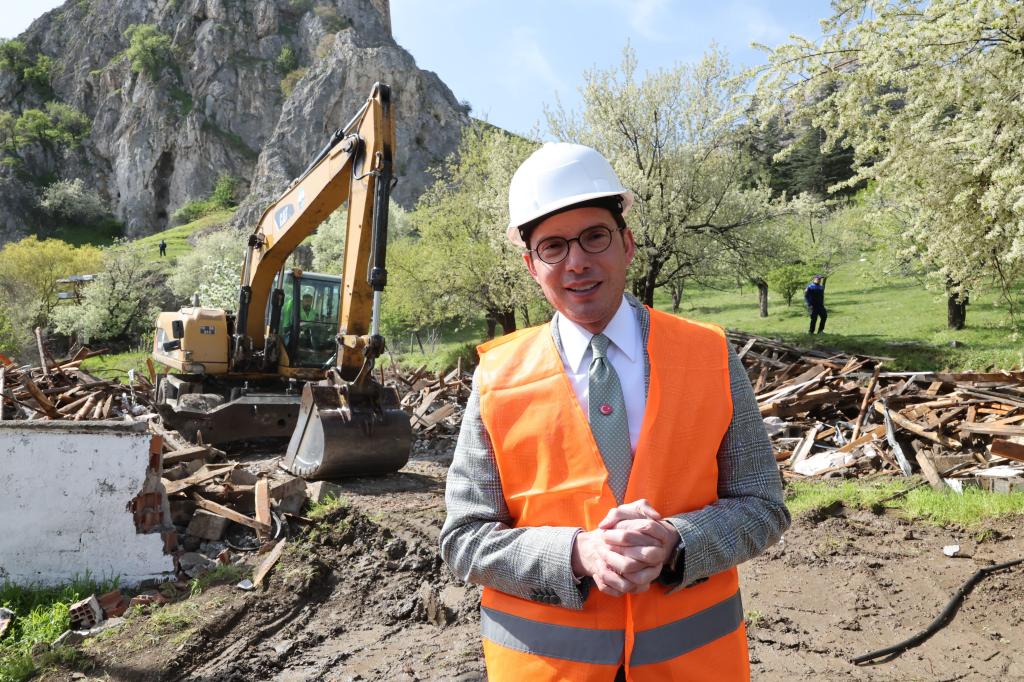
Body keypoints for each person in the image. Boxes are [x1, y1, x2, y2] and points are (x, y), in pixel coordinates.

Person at [440, 142, 790, 681]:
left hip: (693, 667)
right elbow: (464, 539)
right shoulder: (497, 378)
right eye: (553, 247)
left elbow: (763, 504)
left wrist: (678, 541)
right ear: (531, 266)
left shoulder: (709, 356)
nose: (577, 261)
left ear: (626, 244)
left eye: (594, 236)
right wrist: (578, 554)